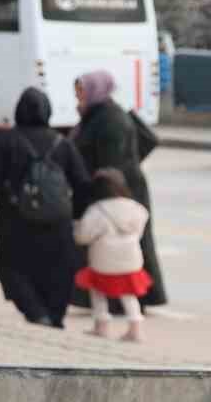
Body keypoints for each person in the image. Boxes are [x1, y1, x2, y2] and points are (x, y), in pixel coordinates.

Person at [0, 88, 92, 327]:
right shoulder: (63, 144)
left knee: (8, 265)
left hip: (13, 219)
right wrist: (76, 215)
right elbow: (82, 183)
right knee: (57, 268)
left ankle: (36, 312)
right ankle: (54, 316)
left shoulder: (5, 141)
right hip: (57, 221)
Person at [70, 70, 166, 310]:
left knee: (120, 247)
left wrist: (100, 194)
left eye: (81, 91)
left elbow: (111, 165)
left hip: (120, 192)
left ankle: (131, 300)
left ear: (95, 91)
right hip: (109, 190)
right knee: (111, 248)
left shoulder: (111, 121)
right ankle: (117, 299)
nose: (78, 97)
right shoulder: (95, 116)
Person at [74, 168, 152, 342]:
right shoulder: (135, 208)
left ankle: (101, 325)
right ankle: (135, 328)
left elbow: (83, 236)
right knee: (129, 294)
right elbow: (141, 225)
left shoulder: (96, 210)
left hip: (103, 260)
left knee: (97, 290)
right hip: (130, 259)